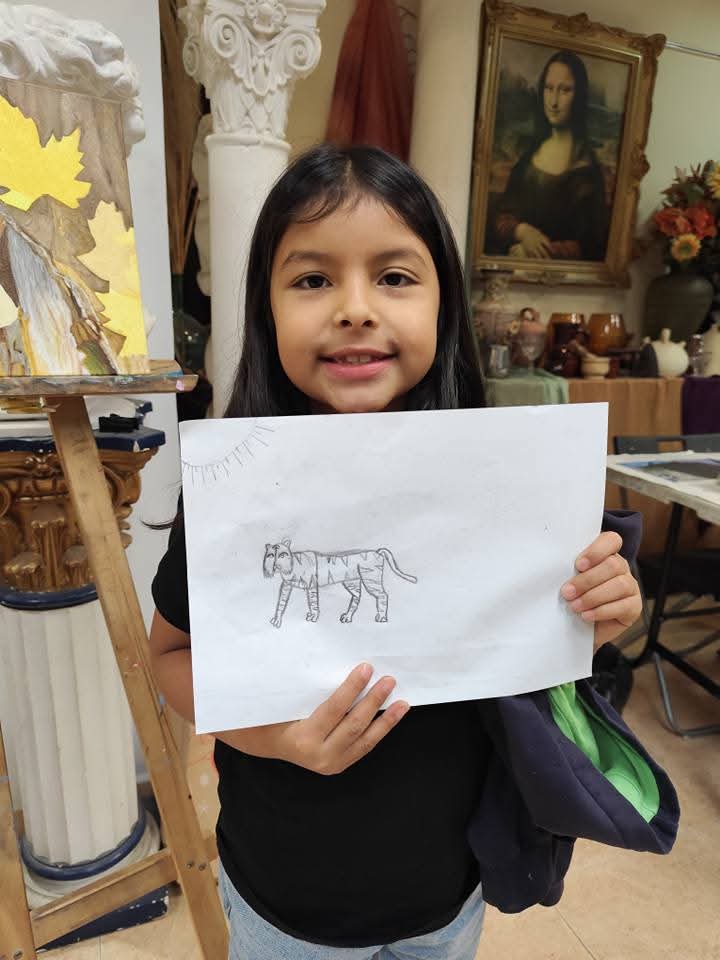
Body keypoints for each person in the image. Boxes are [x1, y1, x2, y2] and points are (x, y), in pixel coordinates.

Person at [149, 144, 642, 959]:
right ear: (266, 308)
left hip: (449, 893)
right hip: (286, 895)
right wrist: (272, 735)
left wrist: (590, 619)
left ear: (444, 305)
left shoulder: (504, 486)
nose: (355, 309)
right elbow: (169, 657)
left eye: (396, 276)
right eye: (313, 279)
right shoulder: (230, 494)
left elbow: (530, 659)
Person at [492, 49, 609, 261]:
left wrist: (536, 251)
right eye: (548, 88)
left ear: (579, 96)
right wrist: (522, 231)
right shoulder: (529, 159)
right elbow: (502, 217)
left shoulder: (586, 171)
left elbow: (591, 244)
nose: (553, 102)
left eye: (565, 90)